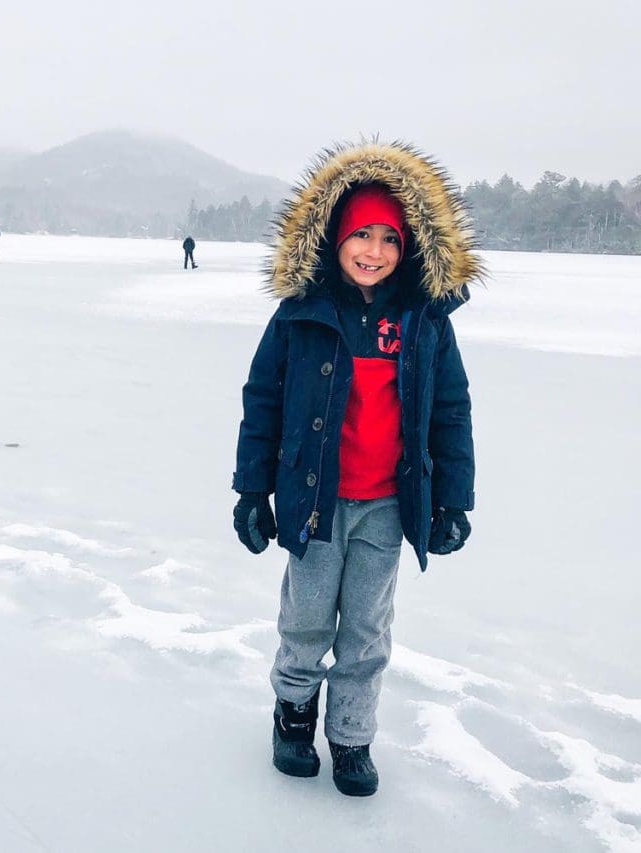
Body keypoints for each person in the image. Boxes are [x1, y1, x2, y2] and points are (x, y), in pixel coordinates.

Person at [232, 141, 482, 797]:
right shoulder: (302, 314)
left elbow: (450, 409)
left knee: (368, 630)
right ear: (336, 237)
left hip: (387, 504)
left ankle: (350, 736)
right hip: (315, 498)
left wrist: (453, 499)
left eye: (389, 239)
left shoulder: (422, 320)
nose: (373, 250)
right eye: (361, 235)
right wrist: (251, 489)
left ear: (409, 247)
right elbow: (263, 399)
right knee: (307, 620)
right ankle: (293, 715)